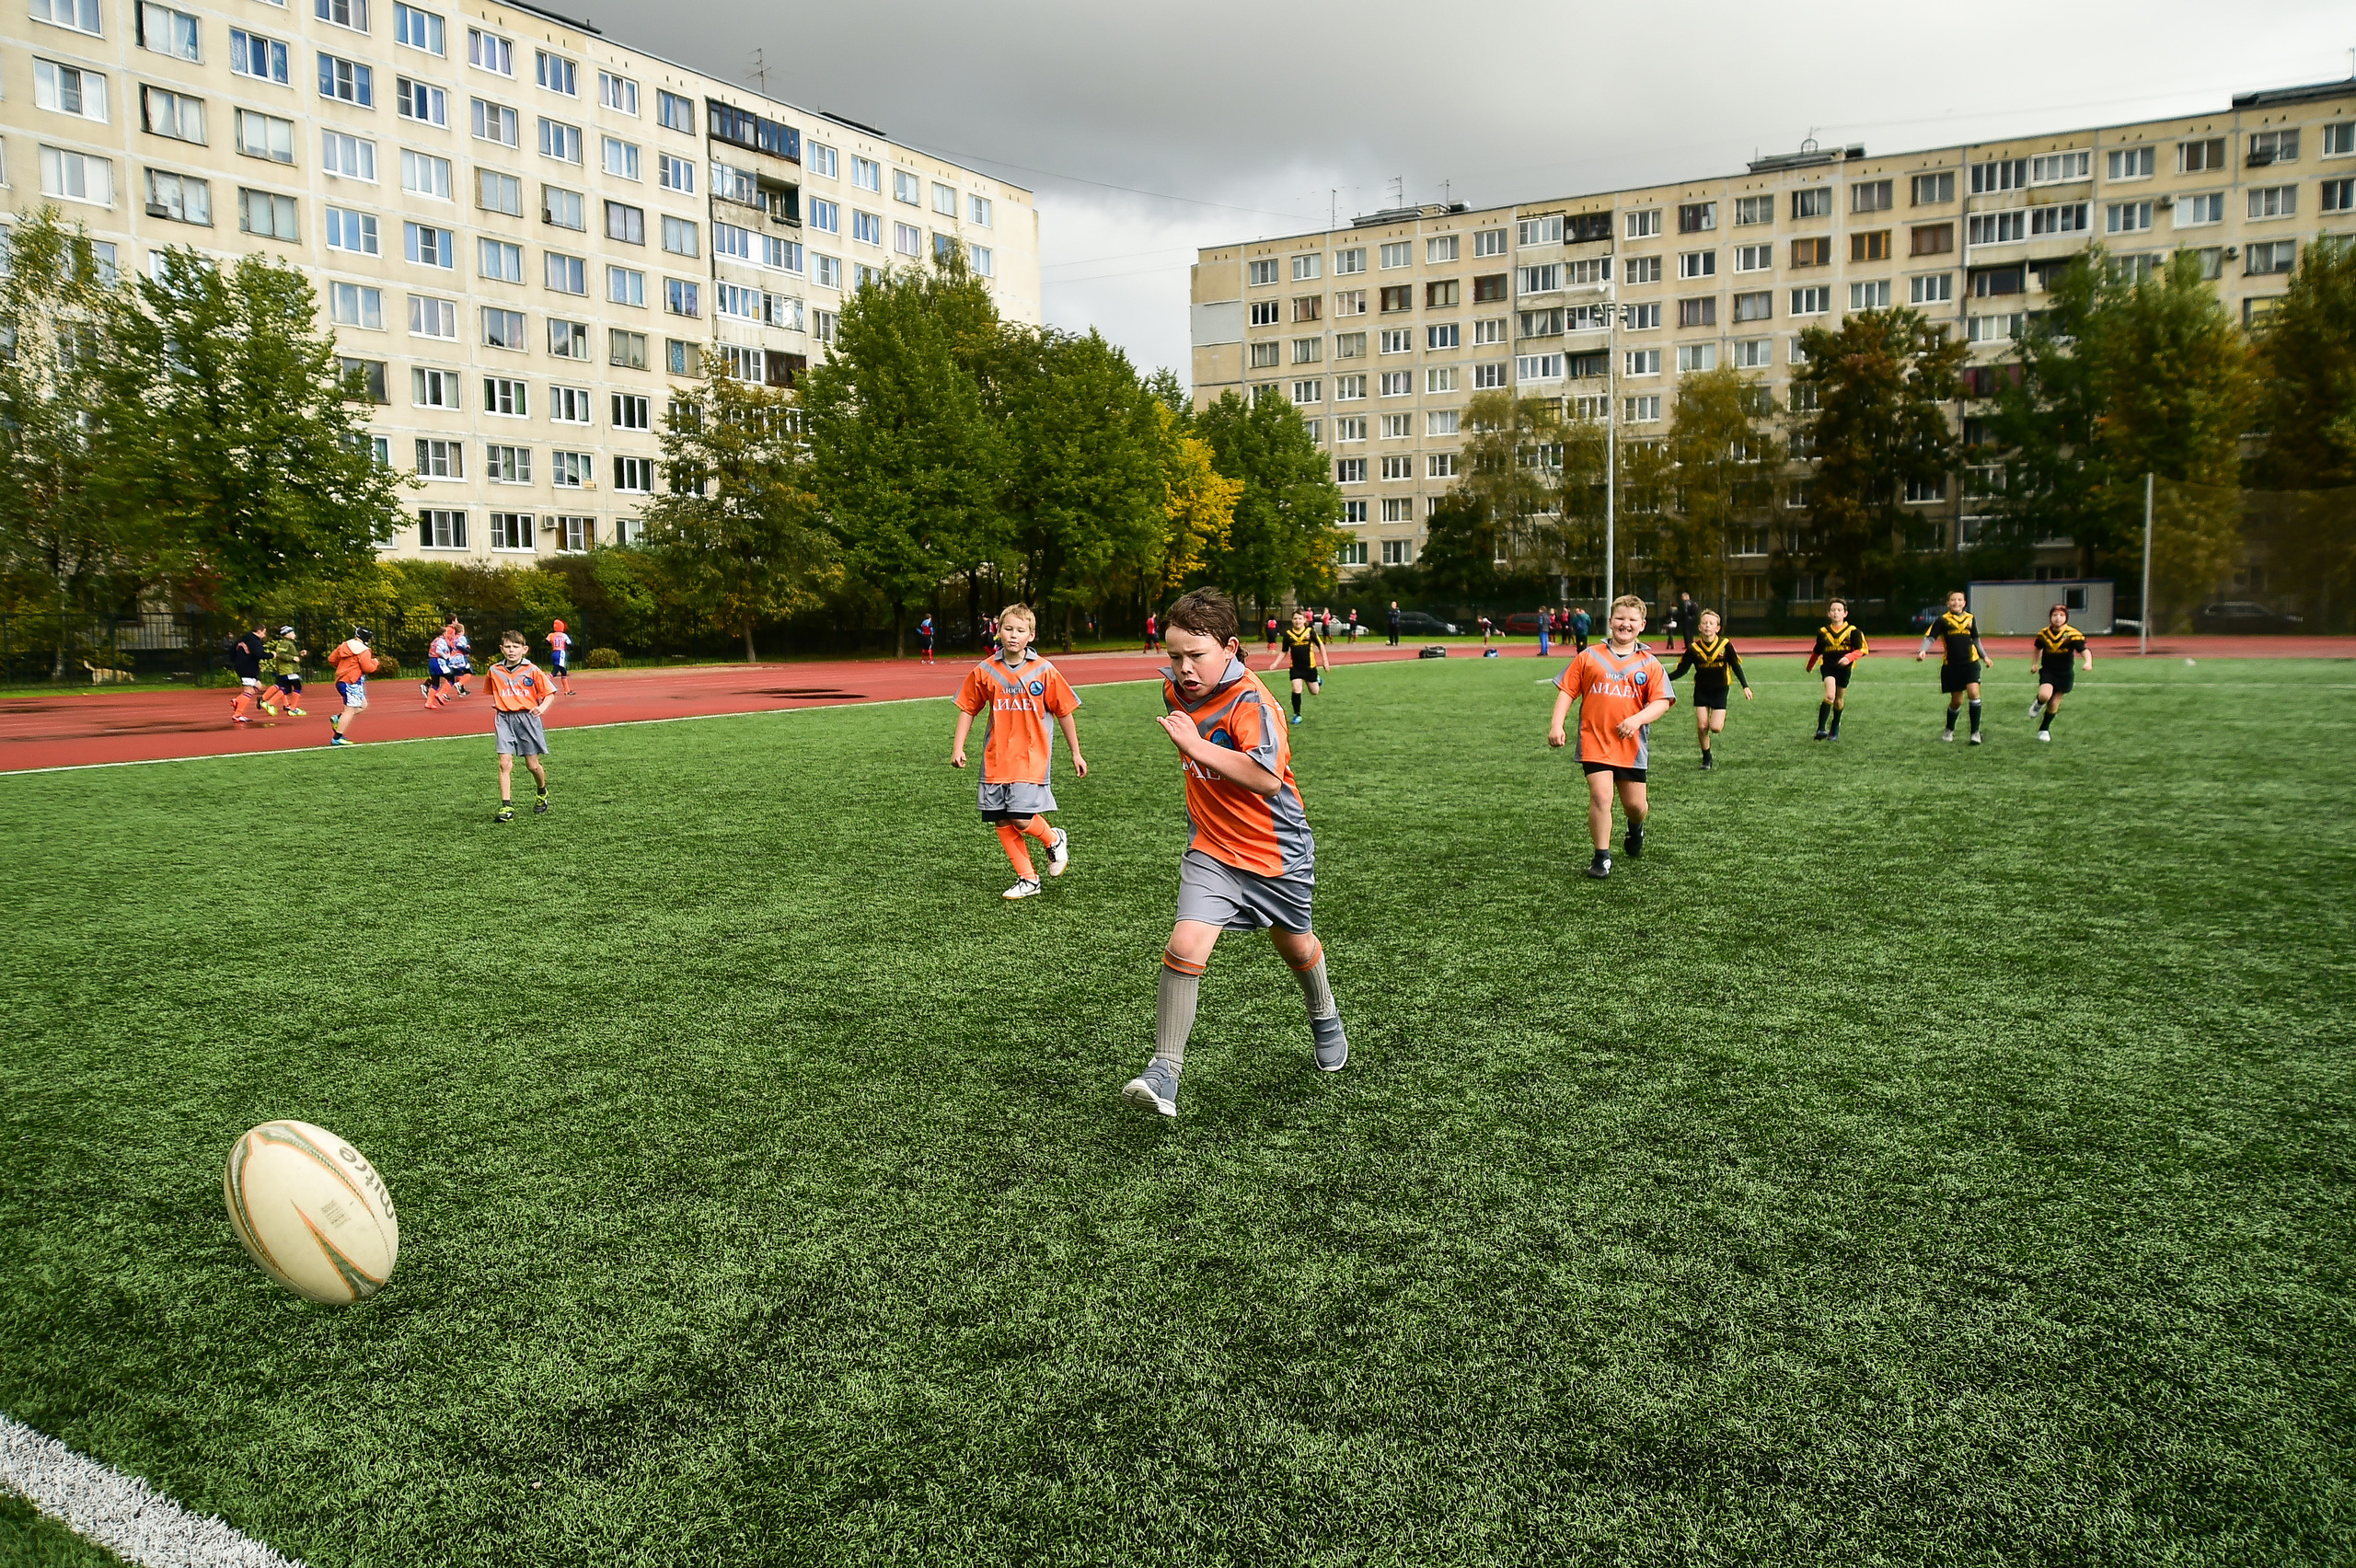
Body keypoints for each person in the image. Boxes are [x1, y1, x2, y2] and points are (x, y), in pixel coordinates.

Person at [1121, 587, 1346, 1120]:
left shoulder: (1254, 703)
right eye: (1175, 656)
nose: (1184, 668)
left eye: (1196, 655)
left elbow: (1266, 779)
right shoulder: (1176, 691)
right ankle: (1164, 1070)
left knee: (1295, 947)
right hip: (1213, 847)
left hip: (1276, 851)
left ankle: (1324, 1012)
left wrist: (1196, 746)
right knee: (1185, 944)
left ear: (1229, 648)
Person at [950, 603, 1086, 901]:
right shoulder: (985, 670)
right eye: (1008, 629)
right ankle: (1028, 878)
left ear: (1031, 635)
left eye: (1020, 630)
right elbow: (968, 707)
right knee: (1001, 819)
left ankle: (1053, 838)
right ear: (998, 632)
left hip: (1031, 756)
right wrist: (958, 747)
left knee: (1021, 818)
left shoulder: (1044, 671)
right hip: (996, 758)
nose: (1013, 635)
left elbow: (1064, 711)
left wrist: (1076, 753)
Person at [1547, 594, 1675, 880]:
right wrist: (1557, 725)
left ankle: (1635, 826)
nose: (1625, 624)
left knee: (1635, 806)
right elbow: (1567, 691)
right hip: (1594, 740)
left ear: (1642, 625)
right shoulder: (1589, 656)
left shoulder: (1649, 663)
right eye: (1620, 618)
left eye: (1632, 620)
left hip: (1631, 746)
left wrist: (1637, 719)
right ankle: (1601, 857)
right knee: (1601, 797)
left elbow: (1662, 702)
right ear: (1610, 622)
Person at [485, 629, 557, 822]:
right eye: (507, 646)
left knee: (532, 765)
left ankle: (542, 791)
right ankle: (506, 807)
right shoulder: (494, 671)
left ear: (524, 649)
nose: (511, 650)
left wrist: (541, 708)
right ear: (501, 649)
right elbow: (492, 691)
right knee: (504, 763)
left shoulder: (532, 670)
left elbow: (549, 693)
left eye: (515, 647)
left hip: (528, 719)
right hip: (504, 718)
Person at [1666, 609, 1751, 769]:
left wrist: (1745, 686)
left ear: (1717, 628)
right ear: (1699, 627)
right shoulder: (1694, 649)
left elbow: (1735, 666)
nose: (1707, 626)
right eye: (1704, 623)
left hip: (1720, 690)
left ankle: (1712, 738)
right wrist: (1663, 678)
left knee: (1716, 728)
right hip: (1701, 690)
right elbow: (1682, 670)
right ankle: (1707, 758)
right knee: (1702, 726)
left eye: (1711, 623)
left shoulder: (1725, 645)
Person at [1916, 590, 1993, 744]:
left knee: (1974, 693)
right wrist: (1923, 650)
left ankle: (1975, 733)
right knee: (1956, 701)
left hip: (1971, 663)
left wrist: (1984, 656)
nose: (1956, 602)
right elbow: (1931, 637)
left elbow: (1976, 639)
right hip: (1952, 666)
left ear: (1964, 603)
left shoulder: (1970, 618)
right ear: (1948, 603)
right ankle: (1949, 729)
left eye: (1959, 599)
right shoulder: (1943, 620)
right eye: (1953, 600)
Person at [2028, 604, 2092, 741]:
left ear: (2066, 617)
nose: (2058, 618)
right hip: (2048, 670)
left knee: (2053, 704)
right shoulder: (2044, 634)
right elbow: (2038, 648)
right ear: (2050, 617)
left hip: (2065, 673)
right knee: (2045, 695)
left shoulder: (2072, 634)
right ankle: (2038, 703)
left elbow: (2084, 650)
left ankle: (2044, 729)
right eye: (2055, 615)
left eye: (2062, 615)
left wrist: (2088, 662)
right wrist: (2034, 664)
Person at [1806, 598, 1868, 741]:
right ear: (1828, 613)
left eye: (1839, 610)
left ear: (1845, 613)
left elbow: (1862, 650)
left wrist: (1848, 657)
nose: (1836, 613)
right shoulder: (1824, 632)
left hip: (1844, 669)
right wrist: (1810, 665)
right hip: (1828, 667)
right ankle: (1821, 729)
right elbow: (1817, 650)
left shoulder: (1853, 631)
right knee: (1829, 696)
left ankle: (1835, 725)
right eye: (1833, 610)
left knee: (1838, 700)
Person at [1265, 608, 1328, 724]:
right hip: (1296, 668)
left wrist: (1325, 661)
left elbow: (1320, 645)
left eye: (1300, 618)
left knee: (1315, 692)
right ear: (1292, 620)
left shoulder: (1310, 632)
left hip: (1310, 667)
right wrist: (1275, 663)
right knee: (1296, 689)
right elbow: (1284, 651)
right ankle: (1297, 714)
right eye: (1295, 619)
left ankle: (1317, 680)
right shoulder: (1288, 635)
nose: (1297, 621)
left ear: (1305, 620)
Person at [327, 626, 378, 746]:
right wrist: (375, 663)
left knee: (363, 705)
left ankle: (339, 719)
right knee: (349, 710)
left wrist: (344, 667)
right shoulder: (364, 650)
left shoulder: (344, 645)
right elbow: (368, 668)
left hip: (342, 680)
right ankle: (337, 737)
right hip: (351, 682)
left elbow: (332, 659)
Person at [260, 627, 307, 716]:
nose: (294, 635)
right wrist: (292, 658)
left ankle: (270, 703)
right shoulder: (285, 643)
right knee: (297, 686)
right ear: (287, 634)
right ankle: (292, 708)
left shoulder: (289, 643)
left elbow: (290, 655)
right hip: (288, 670)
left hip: (290, 669)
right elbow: (281, 654)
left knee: (286, 688)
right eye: (292, 633)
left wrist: (299, 655)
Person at [227, 624, 268, 724]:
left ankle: (237, 700)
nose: (264, 635)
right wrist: (271, 655)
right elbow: (259, 653)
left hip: (245, 667)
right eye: (264, 632)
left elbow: (232, 651)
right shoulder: (253, 641)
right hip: (247, 667)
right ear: (259, 631)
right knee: (248, 691)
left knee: (258, 686)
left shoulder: (243, 639)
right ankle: (238, 715)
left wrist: (236, 661)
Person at [421, 622, 456, 708]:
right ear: (443, 633)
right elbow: (438, 651)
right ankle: (441, 693)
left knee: (435, 683)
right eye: (446, 632)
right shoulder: (442, 641)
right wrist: (446, 657)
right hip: (438, 662)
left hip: (432, 662)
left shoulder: (434, 641)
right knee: (451, 678)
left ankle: (429, 702)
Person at [547, 618, 576, 695]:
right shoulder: (564, 635)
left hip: (554, 652)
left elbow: (547, 642)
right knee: (556, 671)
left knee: (563, 671)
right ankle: (545, 680)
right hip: (561, 653)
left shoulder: (551, 635)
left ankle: (567, 690)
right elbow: (570, 643)